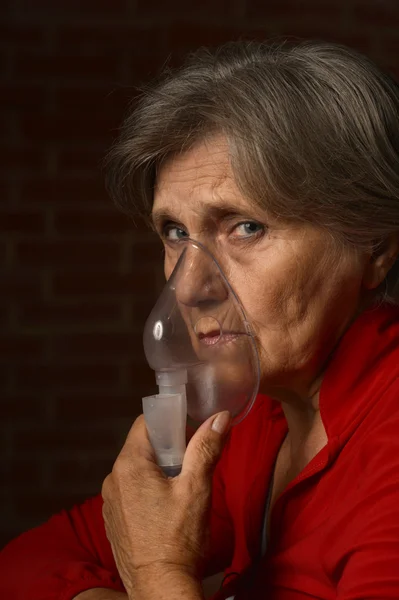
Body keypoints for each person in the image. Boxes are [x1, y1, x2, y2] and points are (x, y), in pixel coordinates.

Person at [2, 39, 399, 600]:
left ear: (375, 246)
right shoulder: (257, 420)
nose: (189, 288)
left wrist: (159, 574)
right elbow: (28, 561)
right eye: (175, 233)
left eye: (247, 227)